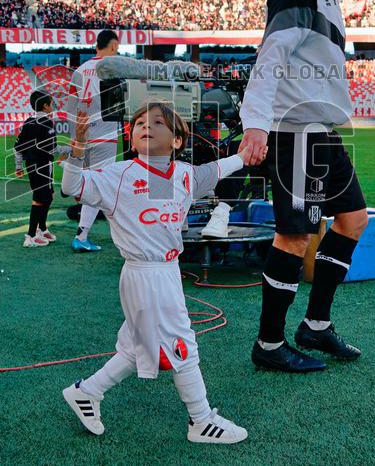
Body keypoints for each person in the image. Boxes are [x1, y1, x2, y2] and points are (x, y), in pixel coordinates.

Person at [60, 103, 250, 444]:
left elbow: (216, 169)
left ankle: (87, 391)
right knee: (182, 345)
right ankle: (201, 420)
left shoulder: (183, 175)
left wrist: (244, 156)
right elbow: (72, 186)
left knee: (138, 346)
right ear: (132, 138)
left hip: (168, 272)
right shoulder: (118, 175)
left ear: (177, 140)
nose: (146, 127)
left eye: (157, 122)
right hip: (144, 273)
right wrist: (77, 149)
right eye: (139, 124)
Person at [238, 0, 368, 373]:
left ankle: (315, 324)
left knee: (352, 220)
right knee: (294, 236)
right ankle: (269, 344)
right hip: (295, 131)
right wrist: (256, 123)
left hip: (322, 132)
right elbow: (271, 57)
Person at [64, 29, 121, 253]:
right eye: (117, 47)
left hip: (83, 135)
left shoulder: (79, 70)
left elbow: (70, 107)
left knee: (92, 184)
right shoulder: (113, 68)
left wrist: (76, 138)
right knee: (102, 185)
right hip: (105, 135)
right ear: (113, 46)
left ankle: (83, 234)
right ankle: (82, 235)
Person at [13, 90, 61, 248]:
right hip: (42, 165)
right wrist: (71, 151)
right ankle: (31, 236)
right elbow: (53, 148)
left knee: (48, 195)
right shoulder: (47, 123)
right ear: (46, 106)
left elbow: (17, 147)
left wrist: (18, 166)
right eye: (51, 103)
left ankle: (42, 228)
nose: (53, 106)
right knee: (40, 199)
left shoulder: (29, 122)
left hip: (33, 165)